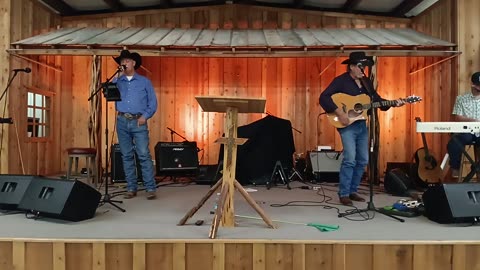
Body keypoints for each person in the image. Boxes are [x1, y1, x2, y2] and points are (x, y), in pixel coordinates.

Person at [319, 52, 404, 206]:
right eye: (359, 66)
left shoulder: (366, 82)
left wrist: (393, 102)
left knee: (363, 159)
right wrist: (340, 113)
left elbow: (376, 101)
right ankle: (343, 193)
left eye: (364, 66)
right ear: (351, 67)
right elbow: (324, 97)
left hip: (361, 124)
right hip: (346, 125)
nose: (362, 69)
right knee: (350, 159)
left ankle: (353, 190)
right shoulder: (341, 81)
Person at [113, 50, 158, 200]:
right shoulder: (118, 81)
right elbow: (107, 91)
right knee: (126, 155)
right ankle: (131, 187)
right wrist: (116, 76)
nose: (124, 63)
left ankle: (150, 188)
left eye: (126, 61)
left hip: (138, 121)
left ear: (133, 63)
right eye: (122, 61)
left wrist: (145, 117)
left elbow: (152, 102)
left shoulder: (145, 82)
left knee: (144, 155)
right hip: (121, 121)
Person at [446, 71, 480, 178]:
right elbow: (458, 117)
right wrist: (473, 120)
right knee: (454, 142)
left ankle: (477, 167)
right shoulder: (461, 99)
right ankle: (455, 168)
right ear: (473, 85)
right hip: (467, 131)